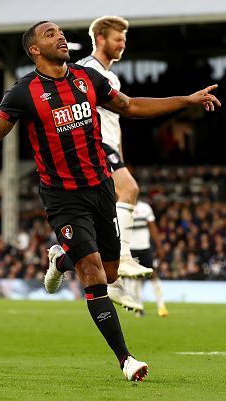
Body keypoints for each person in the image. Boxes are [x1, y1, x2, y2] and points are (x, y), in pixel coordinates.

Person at [0, 20, 220, 381]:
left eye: (60, 32)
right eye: (49, 34)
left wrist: (186, 100)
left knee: (111, 271)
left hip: (101, 188)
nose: (60, 37)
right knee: (94, 274)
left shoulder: (88, 80)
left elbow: (130, 106)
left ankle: (61, 259)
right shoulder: (23, 93)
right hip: (63, 197)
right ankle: (126, 360)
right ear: (35, 50)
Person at [74, 16, 151, 312]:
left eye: (124, 40)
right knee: (130, 190)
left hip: (108, 147)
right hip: (93, 145)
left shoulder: (112, 77)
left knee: (101, 221)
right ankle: (126, 254)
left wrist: (120, 155)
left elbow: (115, 122)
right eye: (118, 39)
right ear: (101, 39)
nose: (122, 45)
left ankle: (67, 259)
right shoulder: (86, 71)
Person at [124, 199, 169, 317]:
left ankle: (161, 306)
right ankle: (138, 307)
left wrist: (159, 246)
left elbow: (153, 228)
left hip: (145, 248)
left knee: (153, 275)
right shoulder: (123, 208)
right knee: (135, 278)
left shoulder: (145, 208)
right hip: (131, 249)